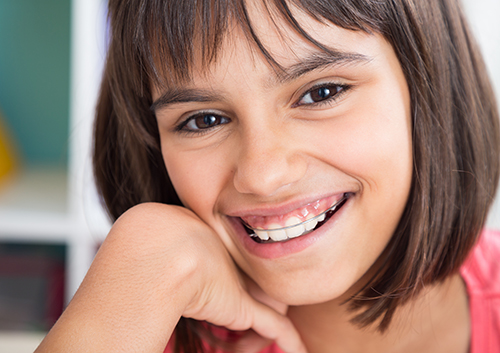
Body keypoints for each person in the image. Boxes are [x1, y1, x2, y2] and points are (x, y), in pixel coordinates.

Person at [36, 0, 500, 352]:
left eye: (321, 93)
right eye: (204, 120)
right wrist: (142, 272)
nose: (262, 175)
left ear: (430, 86)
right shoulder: (136, 329)